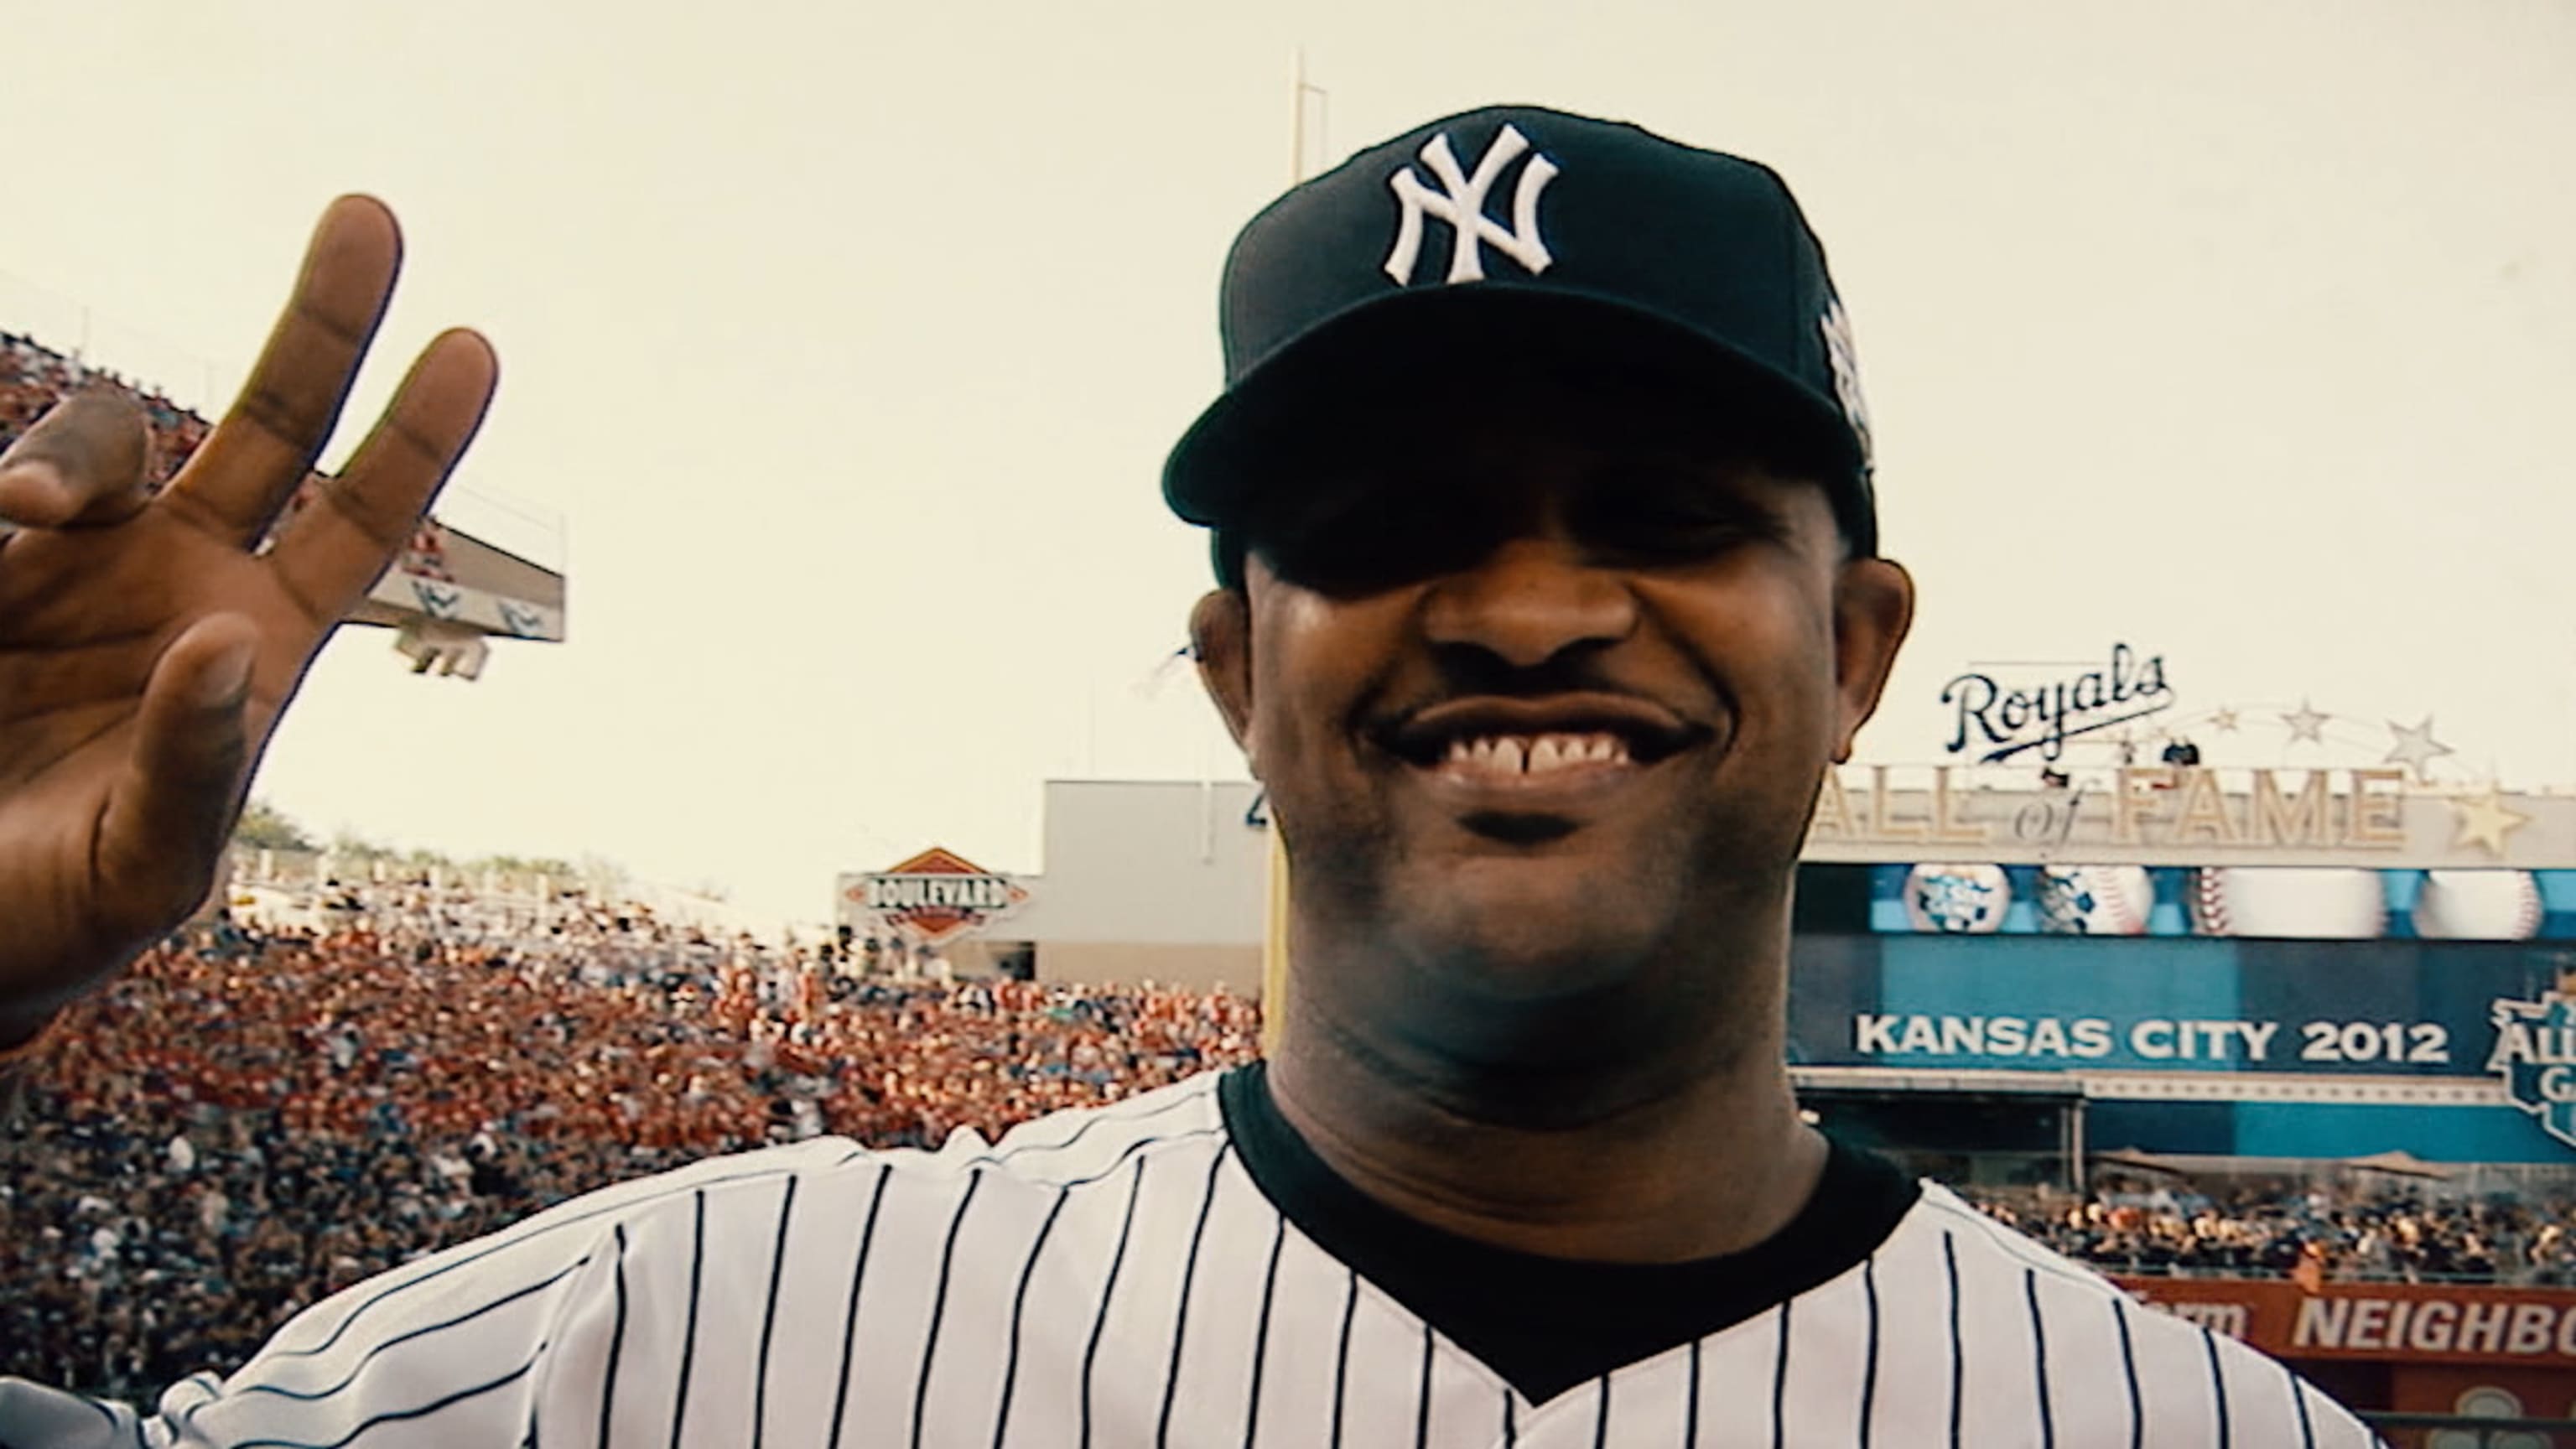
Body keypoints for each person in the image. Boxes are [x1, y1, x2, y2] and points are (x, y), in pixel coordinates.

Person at [0, 106, 2380, 1445]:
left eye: (1661, 515)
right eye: (1391, 525)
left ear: (1857, 649)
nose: (1533, 606)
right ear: (1237, 669)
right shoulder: (686, 1329)